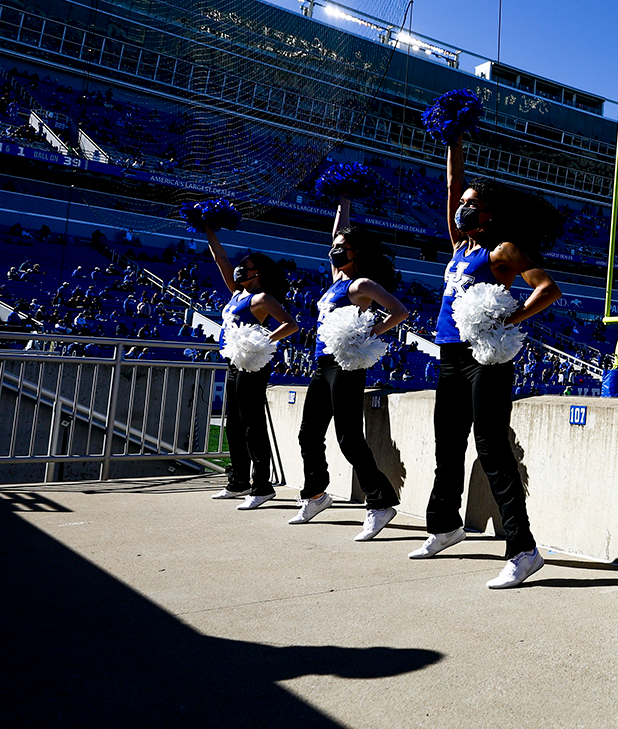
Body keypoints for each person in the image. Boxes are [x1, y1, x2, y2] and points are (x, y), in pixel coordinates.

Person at [408, 126, 562, 591]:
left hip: (485, 358)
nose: (463, 206)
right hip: (450, 355)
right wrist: (453, 142)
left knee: (492, 450)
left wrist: (510, 319)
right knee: (447, 447)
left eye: (472, 203)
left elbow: (548, 289)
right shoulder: (461, 247)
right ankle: (444, 525)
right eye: (463, 202)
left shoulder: (502, 250)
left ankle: (523, 550)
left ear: (489, 213)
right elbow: (452, 187)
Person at [290, 197, 411, 540]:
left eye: (343, 248)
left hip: (346, 364)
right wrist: (343, 200)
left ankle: (380, 503)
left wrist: (365, 334)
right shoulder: (335, 280)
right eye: (336, 247)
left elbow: (399, 312)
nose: (336, 251)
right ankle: (315, 494)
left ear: (357, 253)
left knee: (348, 439)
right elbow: (335, 233)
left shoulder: (361, 285)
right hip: (321, 364)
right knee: (308, 434)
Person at [201, 225, 298, 510]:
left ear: (259, 273)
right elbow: (221, 260)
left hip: (252, 364)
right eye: (240, 265)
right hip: (233, 363)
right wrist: (209, 231)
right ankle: (239, 481)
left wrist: (259, 341)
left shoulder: (263, 299)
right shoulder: (237, 294)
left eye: (246, 265)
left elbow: (291, 325)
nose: (239, 268)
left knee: (252, 425)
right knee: (233, 424)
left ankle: (262, 485)